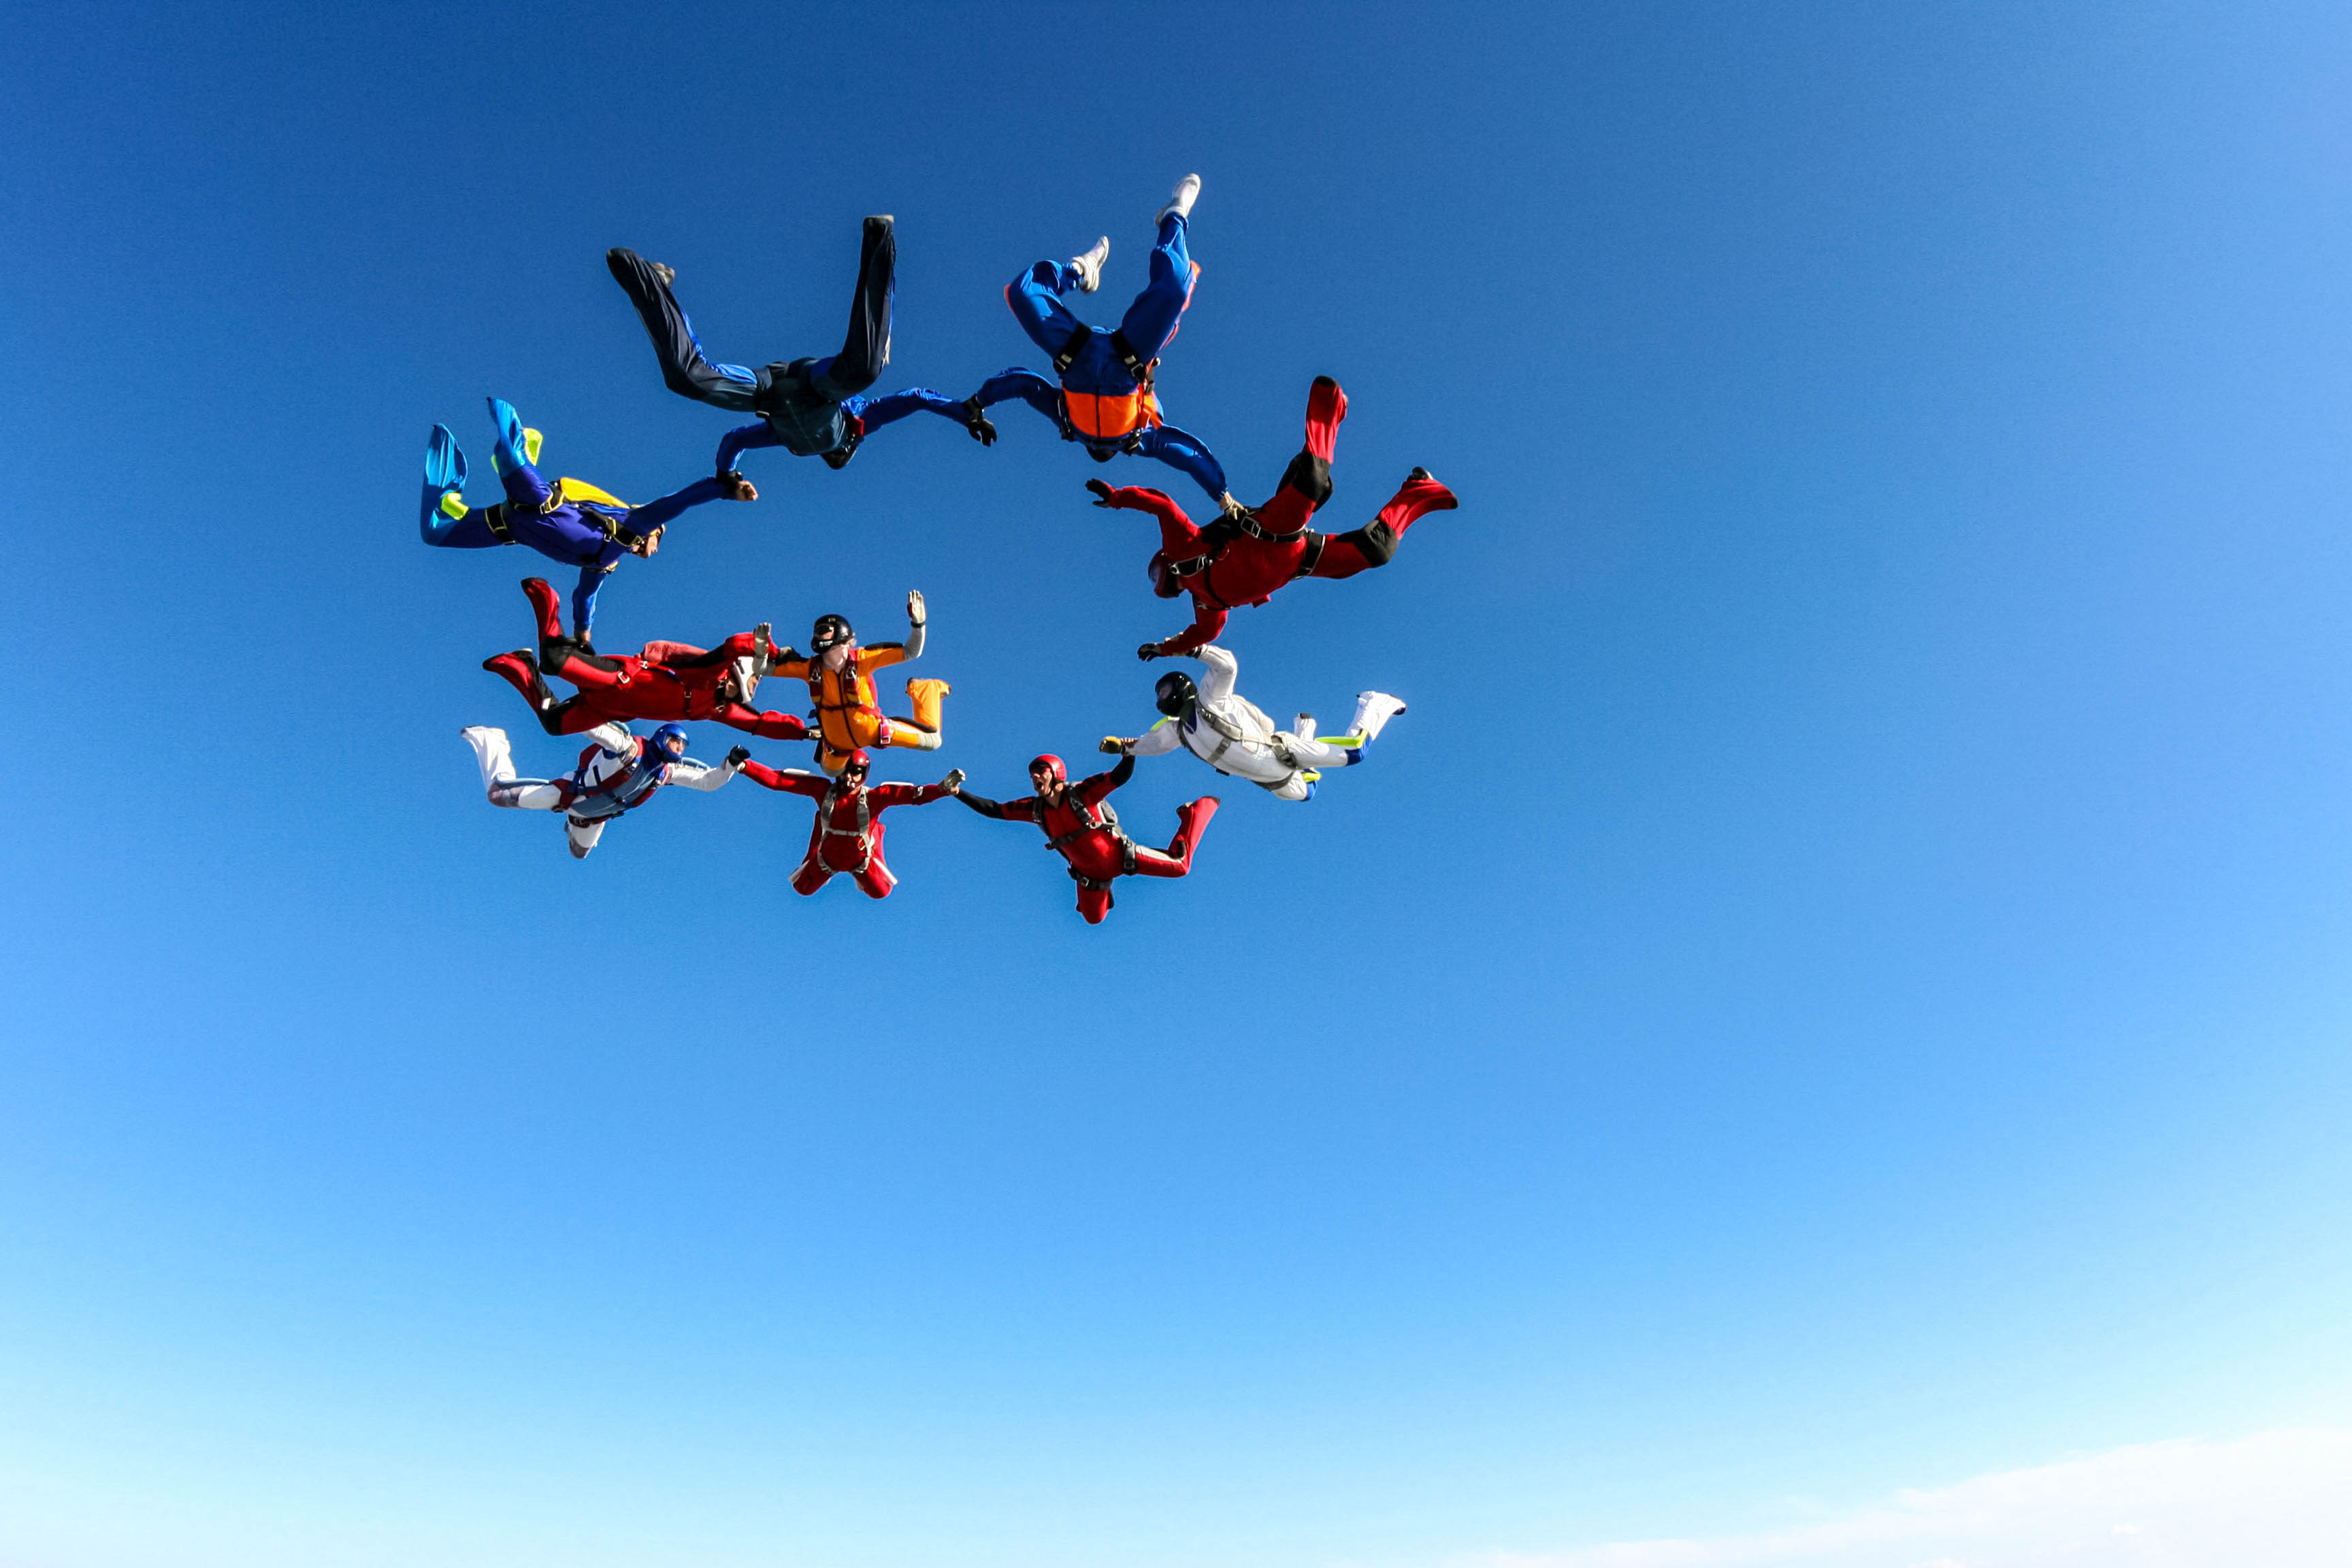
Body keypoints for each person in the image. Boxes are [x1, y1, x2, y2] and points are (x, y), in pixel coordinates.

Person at [1085, 376, 1458, 659]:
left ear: (1163, 561)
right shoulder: (1207, 609)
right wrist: (1162, 649)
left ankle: (1331, 411)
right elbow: (1199, 637)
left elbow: (1162, 504)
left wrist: (1117, 498)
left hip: (1270, 532)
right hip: (1299, 558)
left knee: (1313, 484)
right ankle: (1419, 490)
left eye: (1154, 573)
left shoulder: (1182, 550)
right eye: (1155, 579)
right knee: (1376, 551)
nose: (1159, 580)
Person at [606, 216, 995, 475]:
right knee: (865, 369)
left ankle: (652, 284)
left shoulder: (778, 436)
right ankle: (880, 239)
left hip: (764, 391)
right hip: (820, 386)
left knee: (687, 379)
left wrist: (726, 476)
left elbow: (735, 440)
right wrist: (964, 413)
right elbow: (915, 398)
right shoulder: (860, 421)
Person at [962, 175, 1237, 512]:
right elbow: (1184, 452)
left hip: (1077, 355)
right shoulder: (1135, 439)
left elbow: (1025, 386)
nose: (1100, 446)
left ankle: (1080, 270)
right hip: (1128, 359)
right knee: (1175, 291)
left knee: (1022, 294)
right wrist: (1223, 495)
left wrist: (979, 401)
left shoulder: (1068, 422)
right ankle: (1176, 214)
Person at [419, 397, 754, 645]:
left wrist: (583, 634)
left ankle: (447, 488)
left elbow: (584, 597)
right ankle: (519, 434)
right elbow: (677, 502)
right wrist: (723, 488)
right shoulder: (631, 524)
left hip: (509, 527)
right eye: (657, 540)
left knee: (435, 533)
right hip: (537, 502)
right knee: (507, 454)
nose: (653, 551)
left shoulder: (603, 562)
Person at [480, 578, 811, 741]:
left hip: (607, 708)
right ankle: (548, 601)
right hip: (619, 679)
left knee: (554, 725)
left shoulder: (718, 709)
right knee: (554, 660)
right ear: (738, 673)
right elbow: (734, 646)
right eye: (755, 679)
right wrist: (774, 652)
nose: (757, 684)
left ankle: (520, 665)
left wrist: (805, 733)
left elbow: (759, 724)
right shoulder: (709, 674)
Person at [1102, 644, 1405, 801]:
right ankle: (1306, 727)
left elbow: (1227, 666)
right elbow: (1153, 743)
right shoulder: (1177, 730)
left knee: (1354, 753)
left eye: (1166, 689)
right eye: (1159, 694)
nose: (1162, 696)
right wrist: (1126, 748)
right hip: (1270, 779)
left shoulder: (1210, 697)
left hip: (1278, 752)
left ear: (1182, 687)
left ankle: (1375, 703)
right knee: (1309, 792)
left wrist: (1189, 649)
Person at [951, 753, 1216, 924]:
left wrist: (1130, 752)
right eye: (1032, 775)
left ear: (1056, 772)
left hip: (1122, 857)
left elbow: (1118, 777)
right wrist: (958, 793)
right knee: (1093, 919)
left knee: (1181, 866)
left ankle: (1196, 812)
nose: (1034, 778)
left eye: (1040, 772)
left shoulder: (1081, 793)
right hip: (1091, 875)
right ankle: (1105, 888)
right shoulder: (1035, 809)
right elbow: (995, 810)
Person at [459, 721, 737, 860]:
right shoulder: (628, 748)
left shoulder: (666, 773)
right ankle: (492, 740)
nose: (679, 748)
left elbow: (707, 782)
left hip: (590, 817)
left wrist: (732, 766)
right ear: (663, 737)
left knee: (579, 853)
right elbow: (589, 726)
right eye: (676, 741)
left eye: (683, 746)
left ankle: (572, 826)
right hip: (570, 795)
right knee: (497, 795)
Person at [730, 745, 964, 899]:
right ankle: (822, 840)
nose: (850, 777)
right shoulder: (823, 790)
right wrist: (745, 766)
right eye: (846, 771)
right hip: (826, 858)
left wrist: (942, 789)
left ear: (864, 774)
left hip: (861, 860)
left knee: (881, 892)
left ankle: (876, 833)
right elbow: (779, 780)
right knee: (802, 889)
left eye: (856, 772)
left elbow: (913, 795)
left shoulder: (874, 798)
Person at [767, 591, 949, 773]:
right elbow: (767, 669)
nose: (818, 635)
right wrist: (761, 652)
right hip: (837, 742)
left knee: (933, 741)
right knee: (831, 771)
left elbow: (911, 651)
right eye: (816, 632)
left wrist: (918, 625)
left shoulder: (863, 659)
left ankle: (924, 689)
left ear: (841, 634)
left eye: (823, 631)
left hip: (874, 731)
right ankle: (830, 747)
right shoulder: (809, 669)